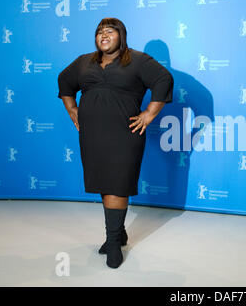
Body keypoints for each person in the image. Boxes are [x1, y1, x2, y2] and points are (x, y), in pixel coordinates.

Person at [57, 18, 173, 268]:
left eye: (109, 31)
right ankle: (118, 234)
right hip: (93, 135)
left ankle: (112, 244)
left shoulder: (137, 60)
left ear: (121, 35)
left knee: (117, 185)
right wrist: (72, 109)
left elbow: (163, 80)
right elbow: (64, 81)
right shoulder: (84, 62)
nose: (103, 35)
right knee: (104, 182)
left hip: (125, 133)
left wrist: (149, 114)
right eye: (99, 32)